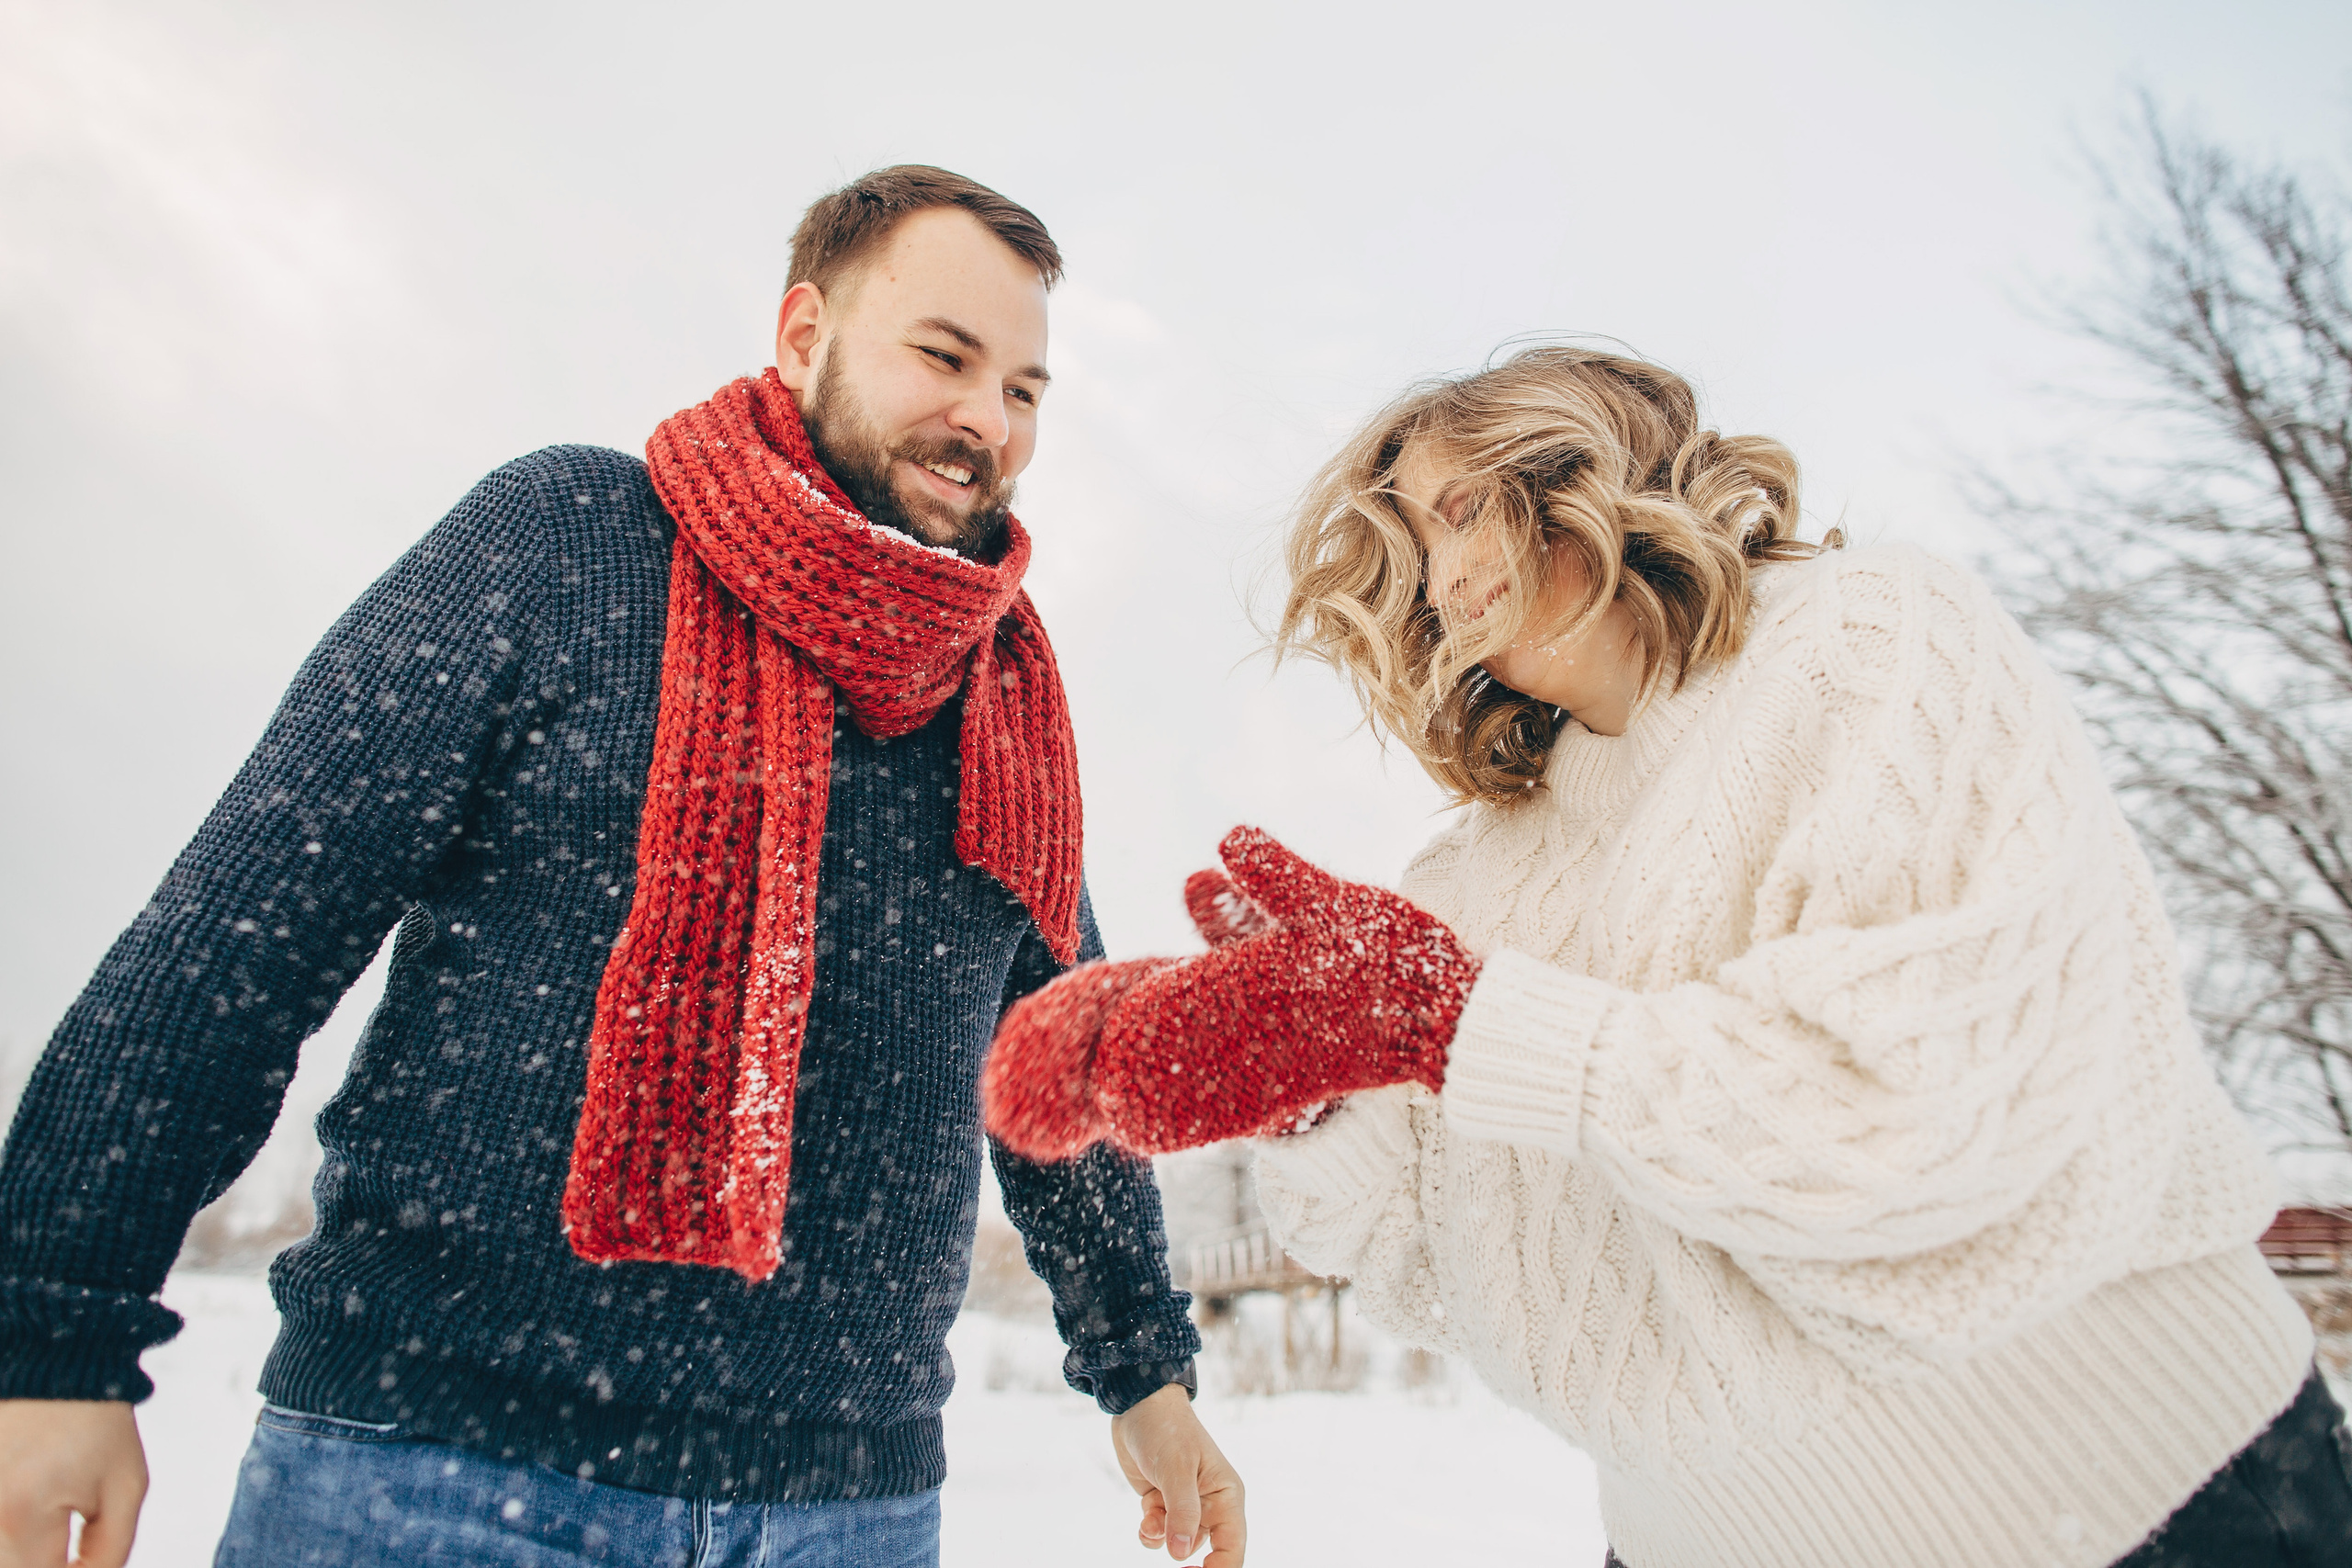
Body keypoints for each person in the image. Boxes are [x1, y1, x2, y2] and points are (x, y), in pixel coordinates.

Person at [0, 165, 1245, 1568]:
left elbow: (1058, 1071)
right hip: (442, 1478)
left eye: (1025, 389)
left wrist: (1145, 1370)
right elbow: (248, 931)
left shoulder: (1001, 689)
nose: (987, 421)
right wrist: (54, 1333)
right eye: (943, 358)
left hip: (850, 1509)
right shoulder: (565, 543)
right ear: (802, 336)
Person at [982, 344, 2352, 1567]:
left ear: (1592, 461)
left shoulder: (1870, 643)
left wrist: (1453, 1027)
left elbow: (1916, 1113)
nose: (1440, 564)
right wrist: (1311, 1087)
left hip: (2145, 1506)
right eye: (1409, 537)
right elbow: (1428, 1261)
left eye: (1465, 502)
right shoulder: (1470, 876)